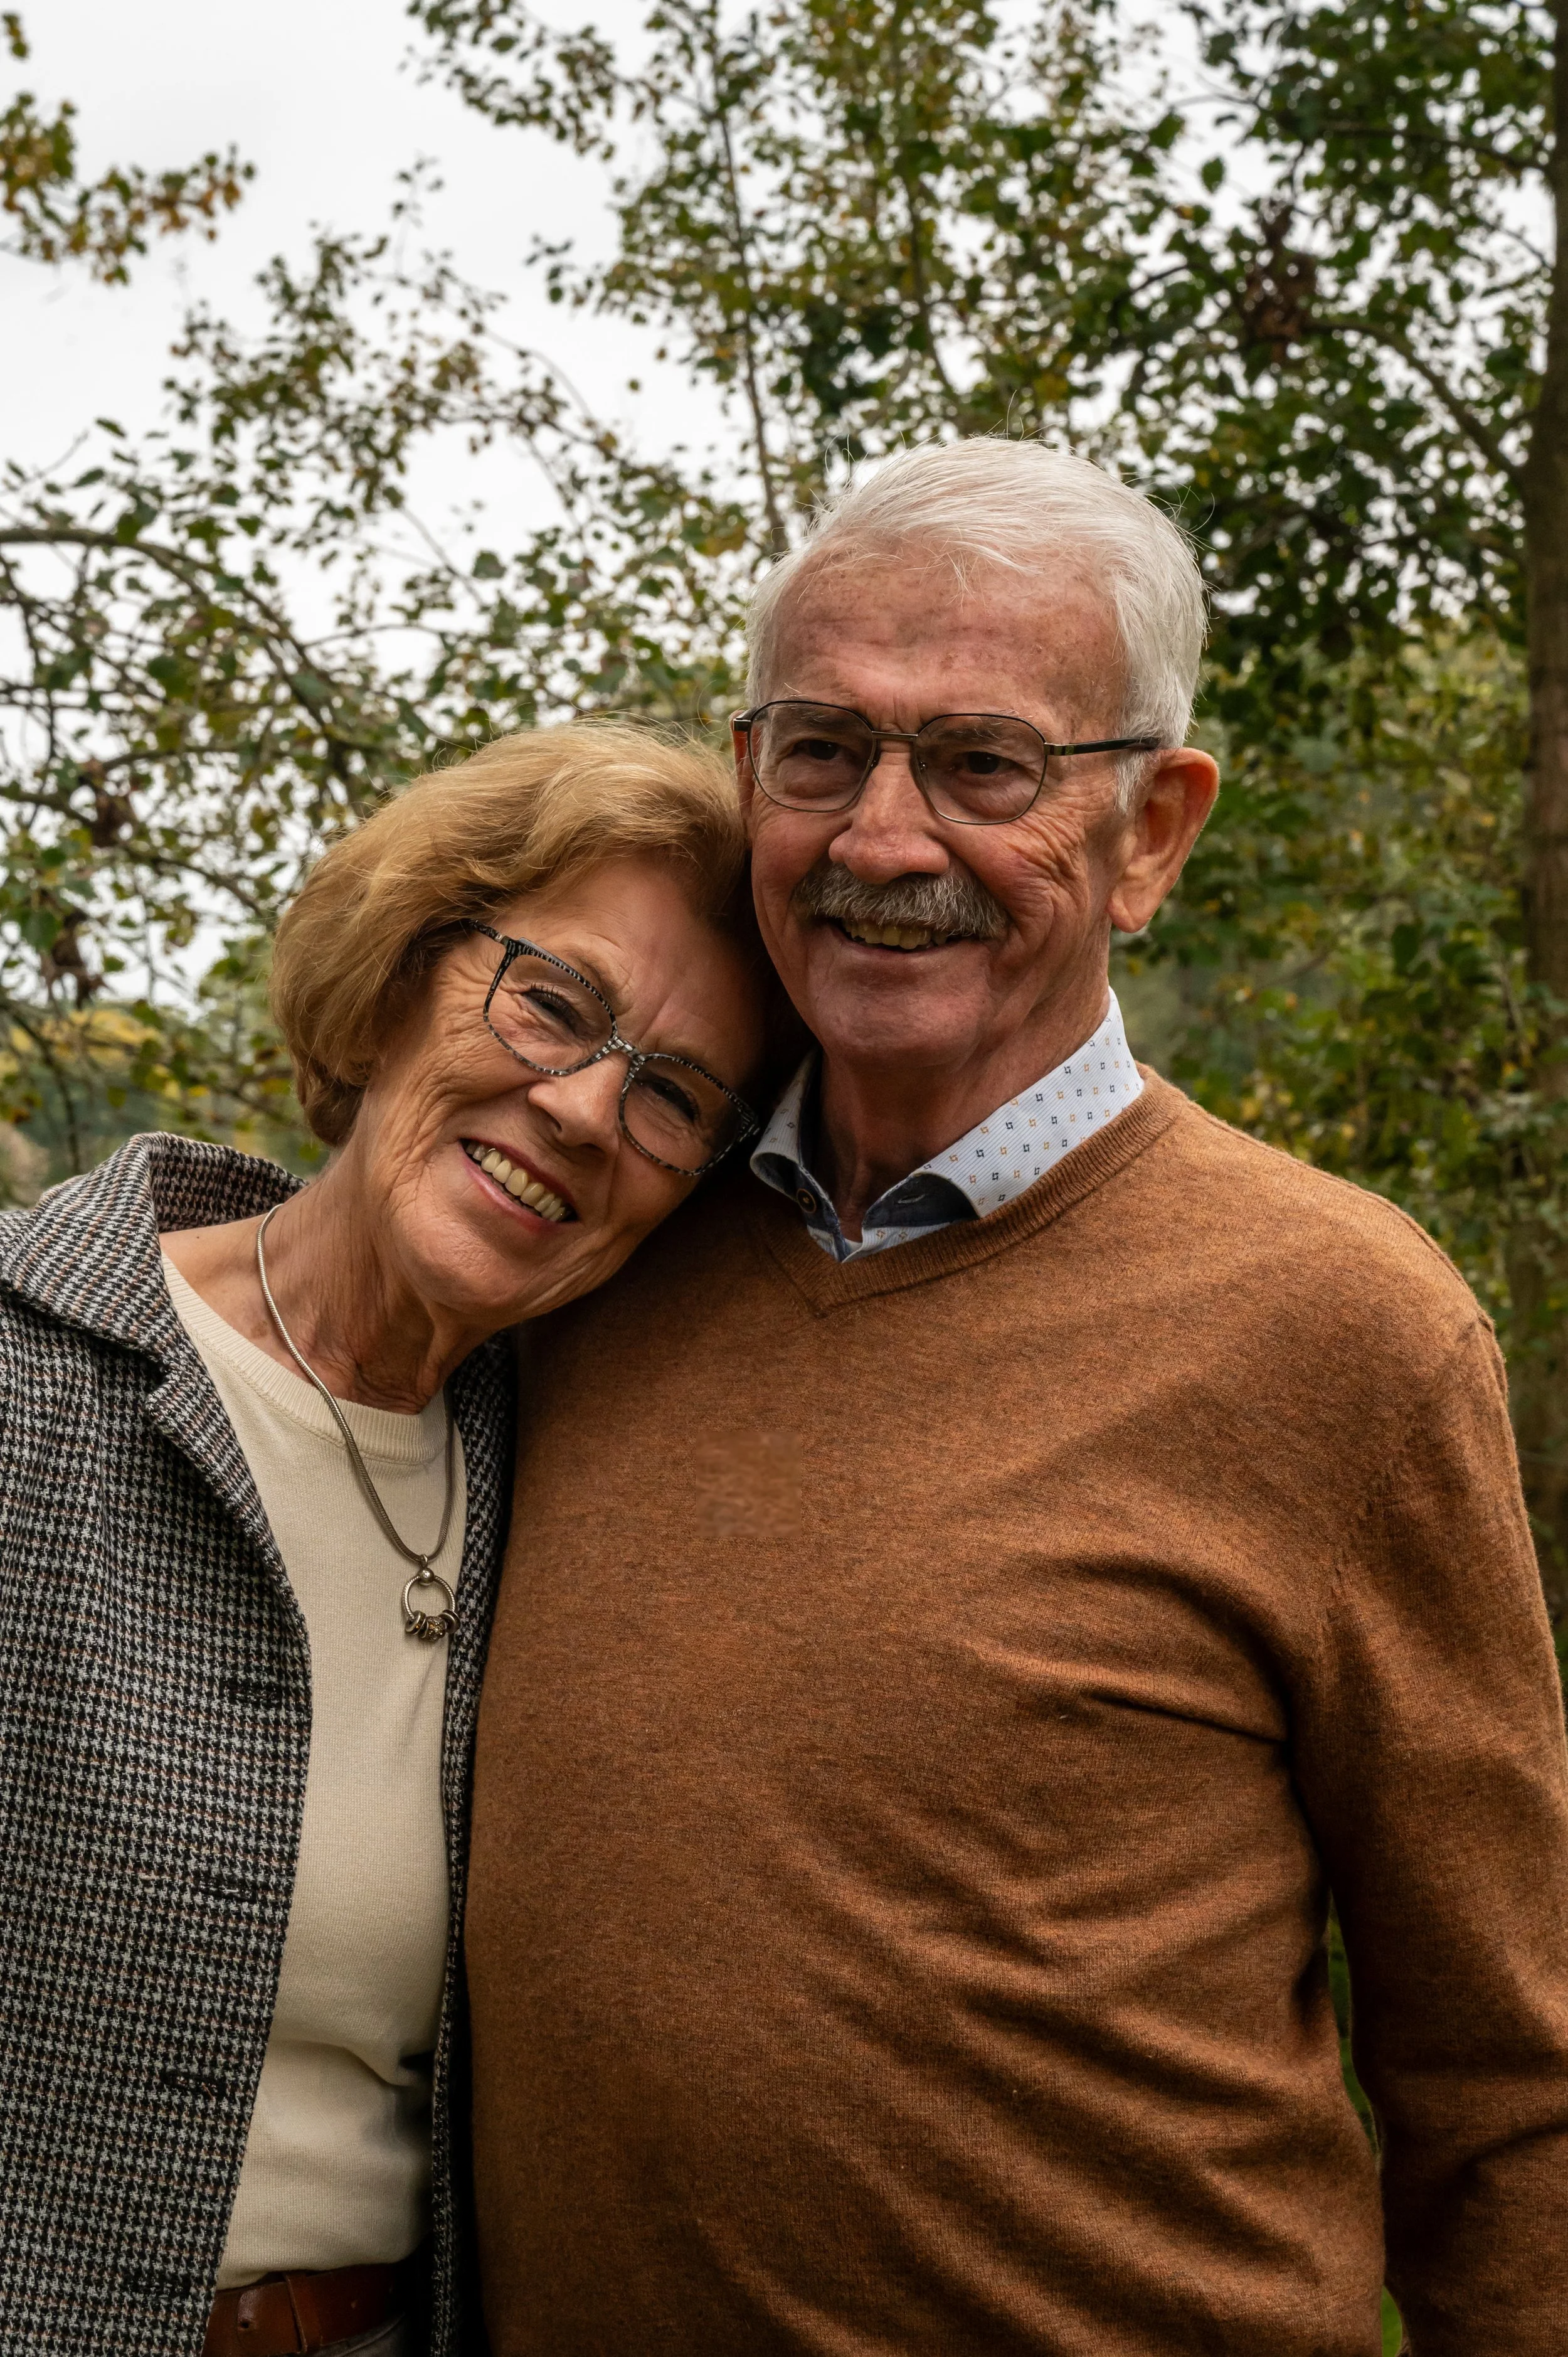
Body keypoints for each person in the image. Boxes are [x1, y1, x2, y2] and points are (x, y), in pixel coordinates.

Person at [465, 443, 1568, 2356]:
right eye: (818, 752)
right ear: (748, 784)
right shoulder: (604, 1251)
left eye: (983, 765)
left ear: (1151, 829)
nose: (881, 840)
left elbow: (1509, 2077)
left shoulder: (1334, 1322)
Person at [0, 721, 767, 2357]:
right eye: (554, 1002)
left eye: (672, 1094)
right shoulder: (28, 1357)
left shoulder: (572, 1484)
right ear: (408, 965)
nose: (579, 1107)